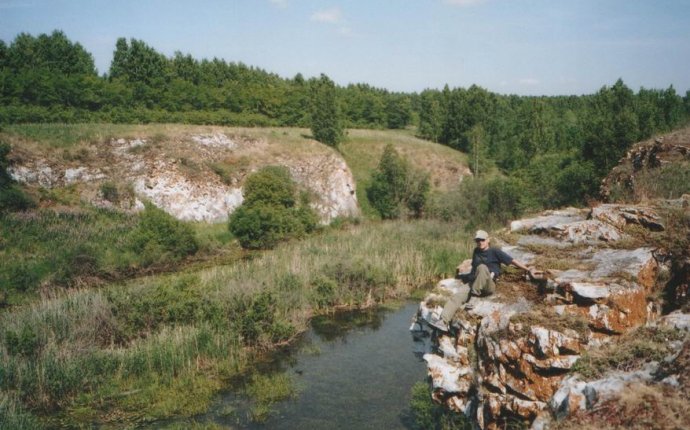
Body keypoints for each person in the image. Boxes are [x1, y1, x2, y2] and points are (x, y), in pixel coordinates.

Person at [429, 229, 535, 332]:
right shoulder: (476, 251)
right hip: (475, 282)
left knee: (482, 267)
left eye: (482, 240)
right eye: (478, 240)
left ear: (488, 240)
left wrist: (526, 269)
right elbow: (474, 269)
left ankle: (474, 297)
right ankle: (443, 321)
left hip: (489, 284)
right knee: (457, 296)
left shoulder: (495, 251)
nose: (480, 242)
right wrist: (465, 277)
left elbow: (512, 261)